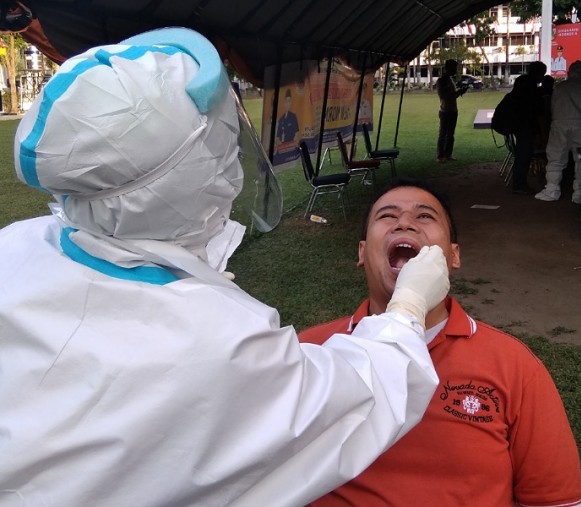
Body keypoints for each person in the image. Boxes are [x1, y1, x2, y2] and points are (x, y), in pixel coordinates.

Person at [0, 28, 452, 507]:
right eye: (225, 146)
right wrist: (407, 309)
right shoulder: (213, 343)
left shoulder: (19, 246)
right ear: (192, 181)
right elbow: (360, 401)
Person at [300, 178, 581, 507]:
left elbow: (555, 500)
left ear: (453, 256)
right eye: (387, 216)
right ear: (362, 252)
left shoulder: (513, 365)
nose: (405, 222)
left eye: (424, 216)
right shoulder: (310, 353)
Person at [535, 61, 581, 203]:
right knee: (580, 159)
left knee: (556, 157)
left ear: (569, 72)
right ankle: (579, 192)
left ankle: (552, 189)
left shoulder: (560, 87)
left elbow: (553, 107)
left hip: (560, 123)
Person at [435, 59, 466, 162]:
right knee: (443, 134)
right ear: (447, 68)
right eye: (454, 68)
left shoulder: (450, 80)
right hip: (445, 111)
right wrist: (458, 93)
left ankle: (448, 155)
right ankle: (440, 156)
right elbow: (444, 96)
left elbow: (452, 95)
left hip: (453, 110)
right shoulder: (441, 81)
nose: (455, 70)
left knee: (450, 135)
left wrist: (459, 92)